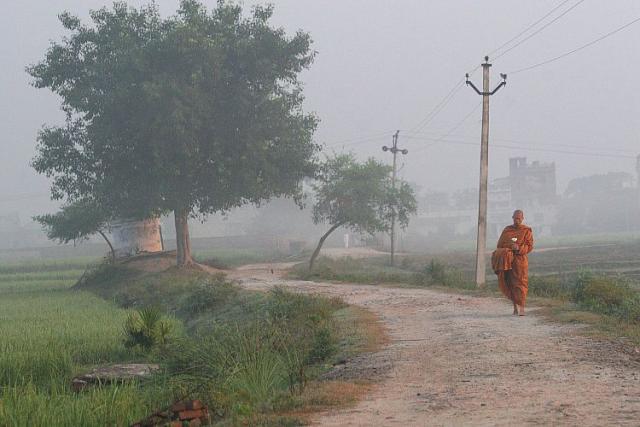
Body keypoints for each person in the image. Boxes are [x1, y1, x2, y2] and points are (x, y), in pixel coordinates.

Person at [491, 210, 534, 316]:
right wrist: (509, 248)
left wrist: (519, 248)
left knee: (521, 284)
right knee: (510, 283)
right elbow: (500, 245)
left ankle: (522, 308)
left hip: (520, 262)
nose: (517, 220)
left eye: (519, 218)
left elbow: (529, 246)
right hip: (507, 261)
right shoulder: (507, 230)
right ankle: (515, 307)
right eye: (515, 218)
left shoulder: (526, 231)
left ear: (523, 218)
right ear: (512, 218)